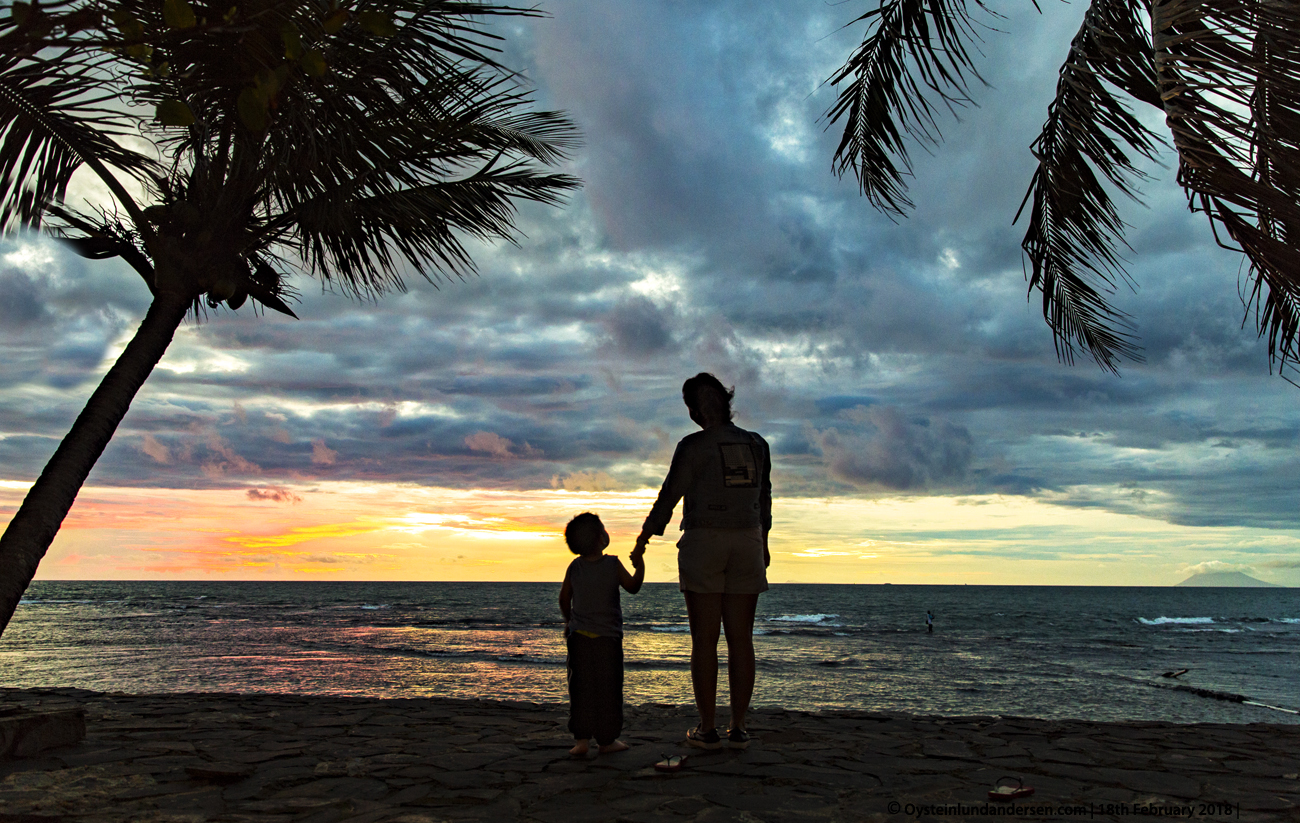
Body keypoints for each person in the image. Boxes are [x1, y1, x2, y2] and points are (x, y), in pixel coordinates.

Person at [634, 373, 771, 750]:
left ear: (695, 410)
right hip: (748, 539)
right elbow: (765, 500)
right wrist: (765, 542)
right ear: (726, 403)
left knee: (705, 641)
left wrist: (646, 535)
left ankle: (708, 728)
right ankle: (739, 727)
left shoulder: (692, 445)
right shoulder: (758, 444)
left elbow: (670, 494)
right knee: (741, 639)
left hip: (704, 541)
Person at [559, 512, 644, 757]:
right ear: (600, 538)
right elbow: (633, 587)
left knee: (581, 688)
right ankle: (607, 740)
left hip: (580, 638)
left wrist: (569, 621)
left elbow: (565, 598)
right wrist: (641, 566)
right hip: (608, 640)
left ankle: (582, 740)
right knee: (609, 690)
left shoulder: (575, 567)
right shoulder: (612, 564)